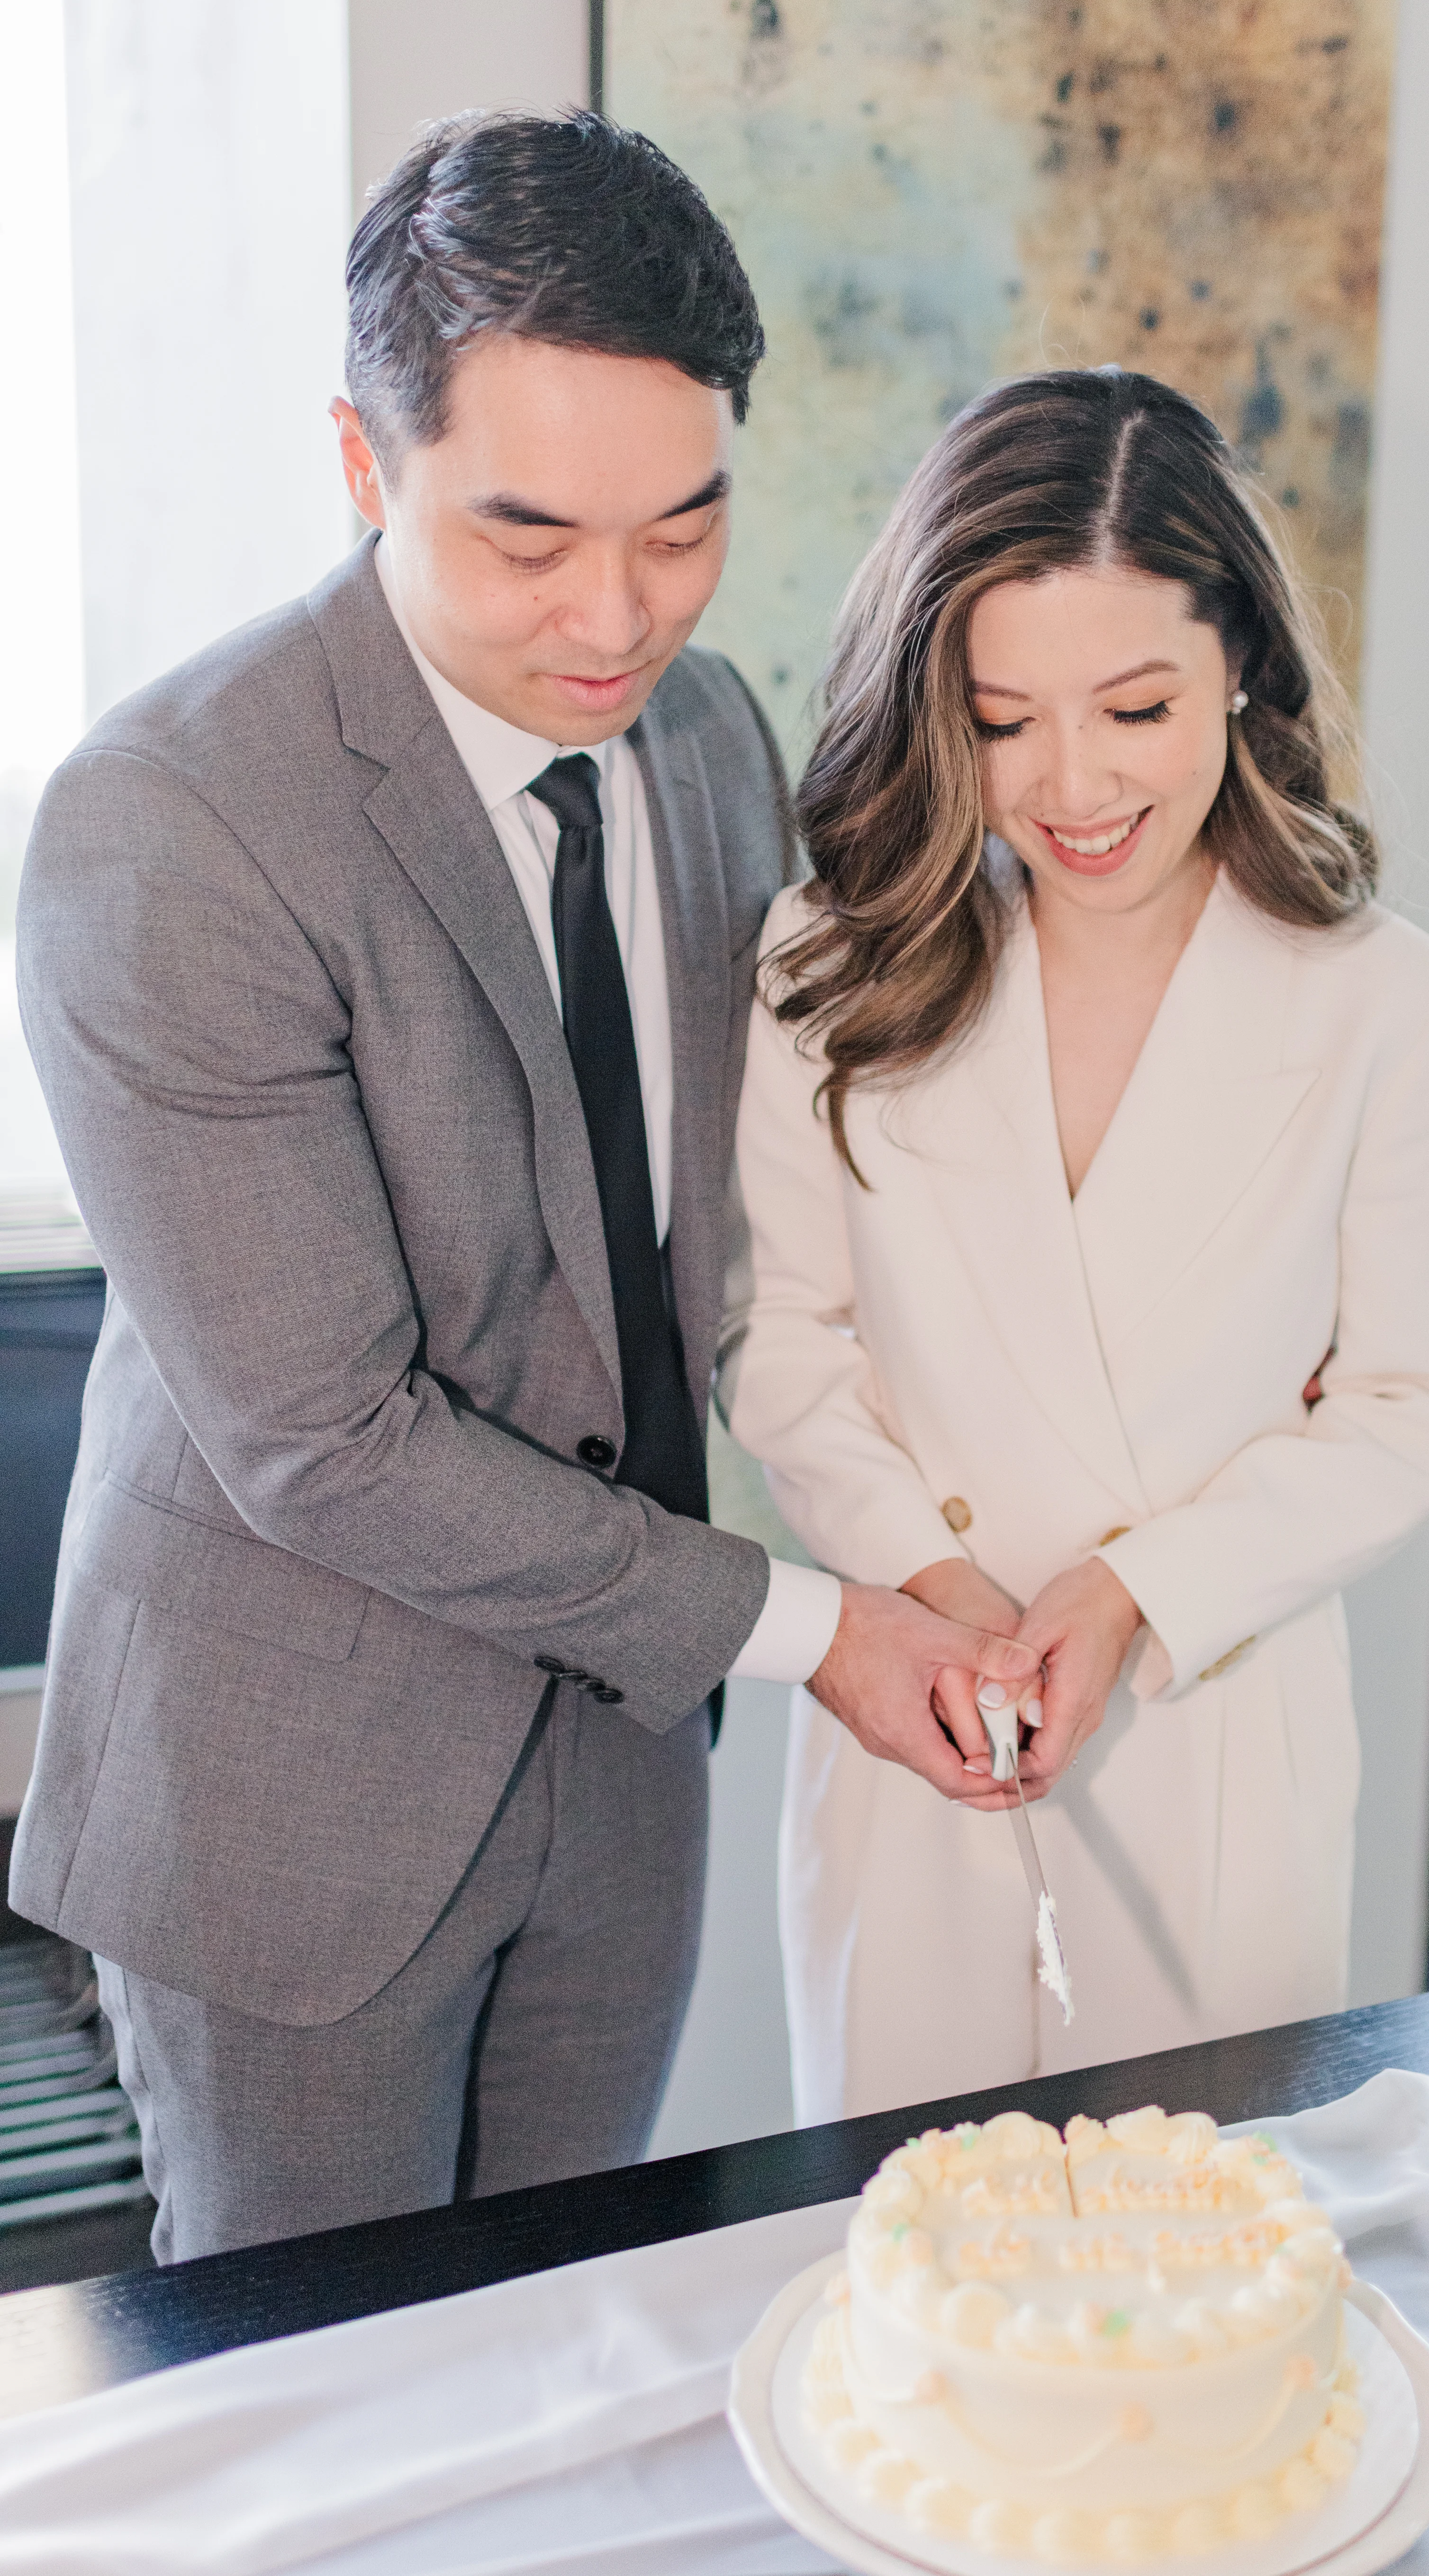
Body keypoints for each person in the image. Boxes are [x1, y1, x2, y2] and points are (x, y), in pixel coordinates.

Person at [12, 110, 1037, 2261]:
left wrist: (908, 1536)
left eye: (684, 528)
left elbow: (724, 1238)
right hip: (290, 1788)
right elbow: (323, 1437)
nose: (614, 614)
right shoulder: (169, 821)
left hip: (621, 1756)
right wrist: (815, 1628)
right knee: (317, 2432)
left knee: (573, 2342)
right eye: (529, 534)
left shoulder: (712, 734)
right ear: (364, 463)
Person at [721, 367, 1429, 2123]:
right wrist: (935, 1595)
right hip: (921, 1724)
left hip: (1214, 1729)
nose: (1070, 785)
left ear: (1240, 662)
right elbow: (780, 1338)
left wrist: (1135, 1591)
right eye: (1003, 720)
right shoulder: (829, 962)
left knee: (1194, 2281)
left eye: (1138, 705)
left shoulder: (1400, 1009)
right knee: (915, 2268)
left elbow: (1428, 1398)